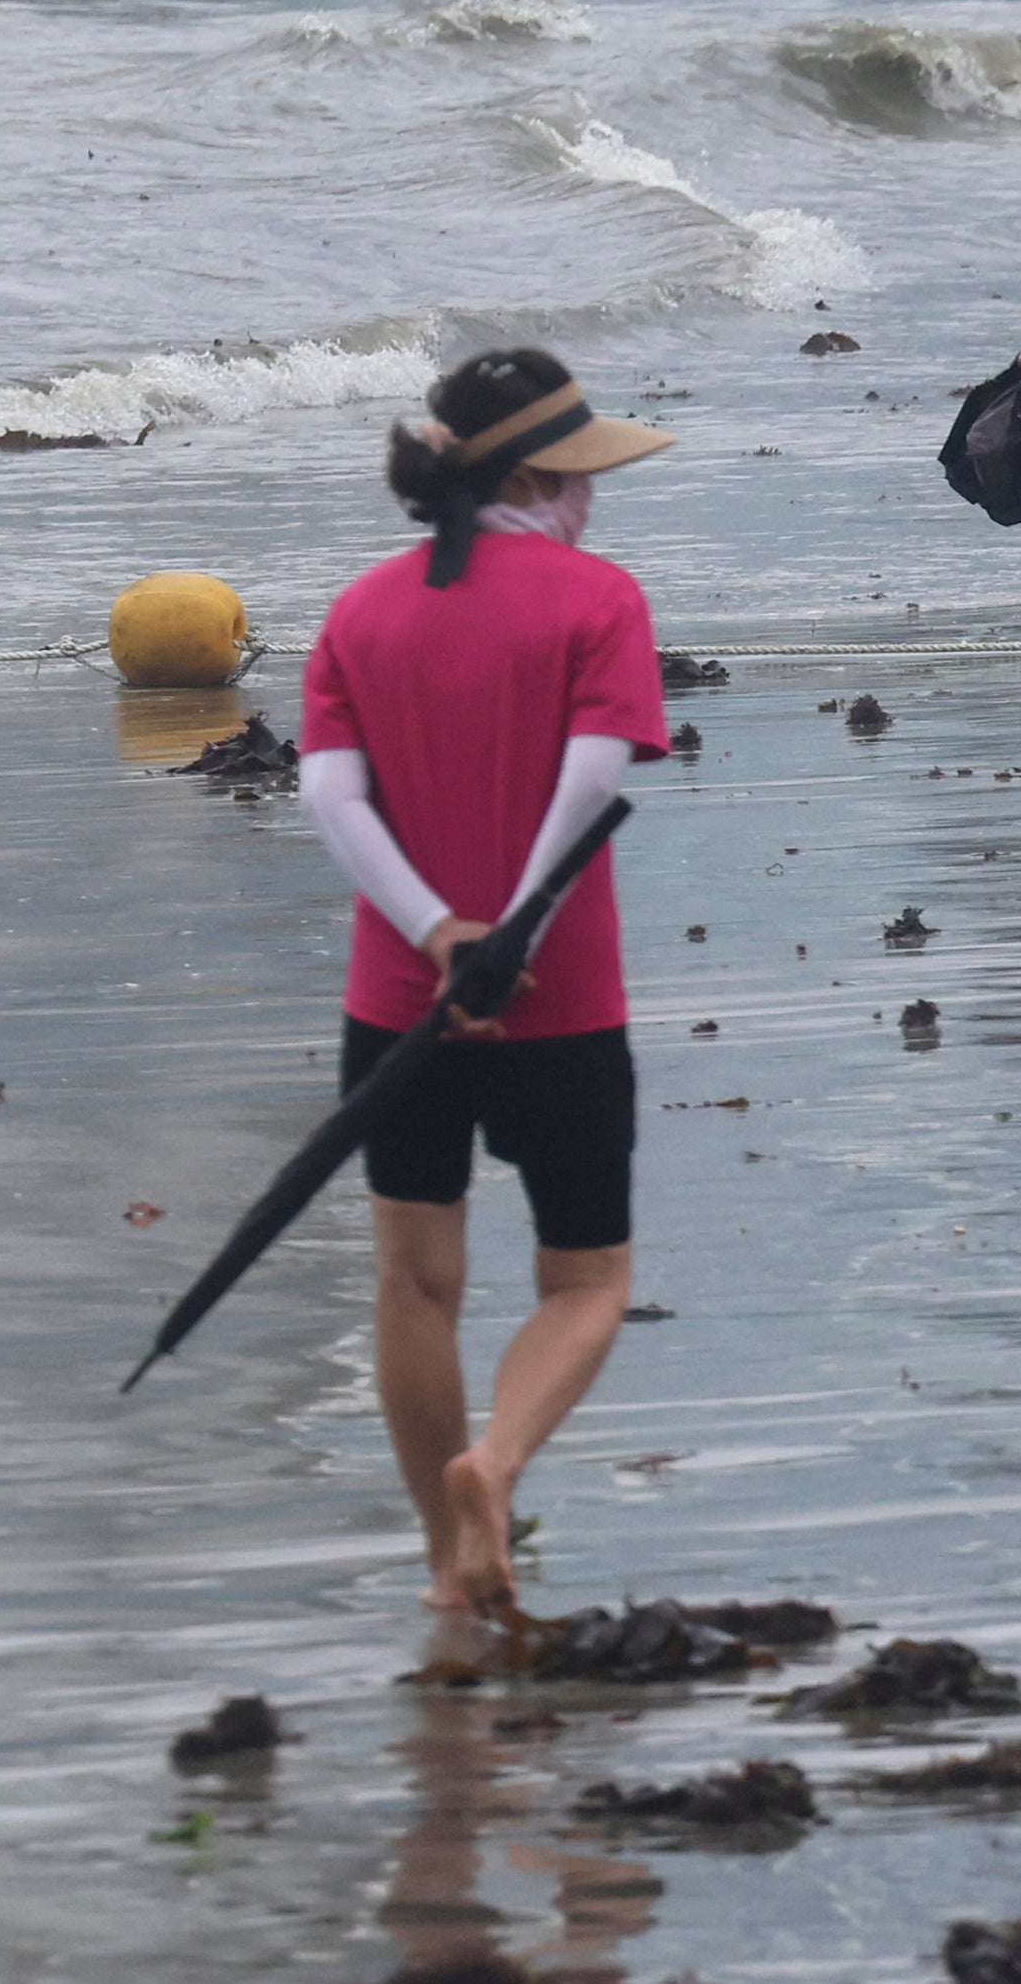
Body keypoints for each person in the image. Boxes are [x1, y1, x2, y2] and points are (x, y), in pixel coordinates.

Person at [300, 345, 677, 1614]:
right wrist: (513, 932)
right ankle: (495, 1465)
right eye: (578, 477)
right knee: (586, 1279)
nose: (593, 500)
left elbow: (328, 795)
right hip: (556, 992)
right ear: (529, 479)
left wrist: (437, 933)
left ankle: (448, 1558)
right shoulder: (595, 599)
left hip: (397, 1000)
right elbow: (591, 778)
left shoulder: (361, 609)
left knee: (414, 1281)